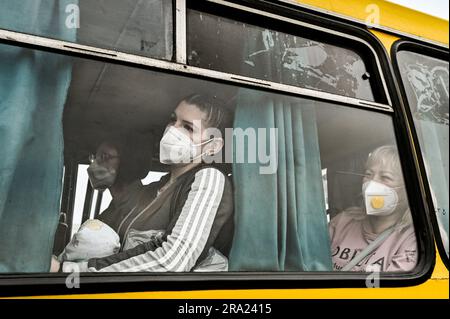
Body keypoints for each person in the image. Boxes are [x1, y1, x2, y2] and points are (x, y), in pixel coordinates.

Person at [51, 94, 234, 273]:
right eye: (173, 120)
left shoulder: (209, 178)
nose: (172, 130)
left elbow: (173, 261)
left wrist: (70, 270)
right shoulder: (152, 191)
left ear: (212, 147)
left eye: (187, 127)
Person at [329, 145, 417, 272]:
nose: (372, 183)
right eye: (368, 174)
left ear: (409, 188)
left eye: (385, 177)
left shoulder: (415, 237)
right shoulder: (343, 221)